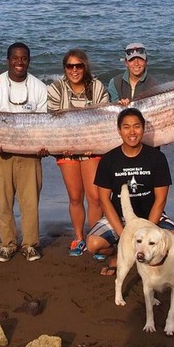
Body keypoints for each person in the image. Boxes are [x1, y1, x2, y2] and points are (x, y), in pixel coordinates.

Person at [86, 108, 174, 276]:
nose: (132, 132)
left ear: (143, 129)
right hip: (120, 217)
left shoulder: (157, 158)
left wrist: (148, 230)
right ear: (119, 130)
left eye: (137, 126)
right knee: (93, 244)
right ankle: (116, 254)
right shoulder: (108, 159)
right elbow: (104, 200)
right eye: (126, 127)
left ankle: (149, 262)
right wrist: (125, 237)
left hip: (151, 216)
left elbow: (160, 200)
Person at [0, 42, 48, 262]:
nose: (19, 62)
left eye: (24, 58)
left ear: (29, 60)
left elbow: (43, 123)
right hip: (1, 153)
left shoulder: (39, 87)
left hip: (30, 154)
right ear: (8, 60)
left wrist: (43, 146)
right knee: (4, 201)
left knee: (30, 202)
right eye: (15, 58)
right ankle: (7, 244)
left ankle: (30, 244)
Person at [47, 49, 110, 257]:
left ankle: (95, 237)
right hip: (66, 149)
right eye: (70, 66)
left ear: (85, 66)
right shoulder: (56, 88)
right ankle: (78, 238)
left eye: (79, 66)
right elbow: (52, 121)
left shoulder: (97, 87)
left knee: (94, 197)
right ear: (65, 69)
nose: (74, 70)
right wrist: (63, 144)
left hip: (92, 147)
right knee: (75, 197)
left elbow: (104, 118)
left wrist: (93, 142)